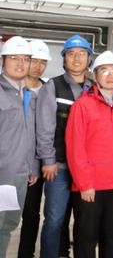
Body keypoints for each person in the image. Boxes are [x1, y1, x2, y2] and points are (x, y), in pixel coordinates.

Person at [65, 50, 113, 258]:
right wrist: (84, 184)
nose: (110, 75)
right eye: (104, 70)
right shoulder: (83, 105)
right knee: (86, 238)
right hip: (91, 186)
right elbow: (75, 147)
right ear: (95, 75)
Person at [39, 34, 94, 258]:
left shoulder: (95, 88)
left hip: (87, 169)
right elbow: (45, 127)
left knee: (84, 220)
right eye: (71, 54)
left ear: (89, 59)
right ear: (64, 59)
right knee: (54, 219)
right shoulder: (53, 86)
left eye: (82, 54)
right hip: (59, 166)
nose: (77, 58)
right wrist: (48, 160)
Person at [0, 37, 46, 255]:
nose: (20, 63)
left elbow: (29, 134)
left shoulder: (28, 94)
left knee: (8, 225)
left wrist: (31, 166)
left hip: (19, 175)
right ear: (3, 61)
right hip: (2, 174)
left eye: (25, 59)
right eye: (14, 58)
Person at [18, 39, 51, 258]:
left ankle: (26, 253)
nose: (38, 66)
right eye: (34, 61)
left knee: (31, 213)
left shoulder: (49, 90)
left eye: (43, 62)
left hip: (37, 164)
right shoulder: (12, 87)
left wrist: (38, 163)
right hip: (10, 162)